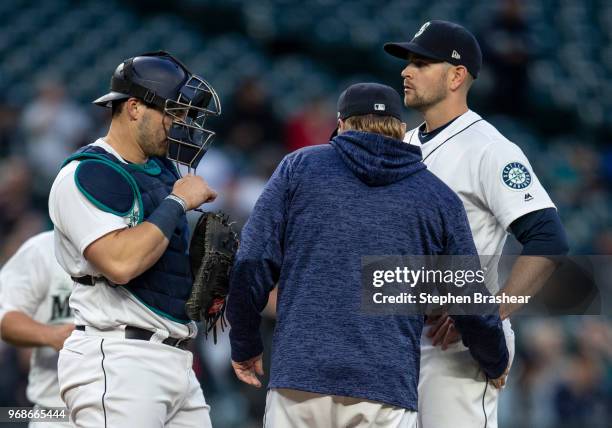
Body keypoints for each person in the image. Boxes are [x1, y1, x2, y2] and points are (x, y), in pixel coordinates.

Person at [226, 82, 510, 428]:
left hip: (299, 380)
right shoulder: (437, 197)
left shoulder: (298, 168)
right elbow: (469, 298)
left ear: (341, 123)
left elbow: (252, 261)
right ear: (401, 130)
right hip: (384, 387)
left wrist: (244, 343)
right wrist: (494, 359)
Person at [384, 20, 569, 428]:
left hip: (457, 344)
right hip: (398, 333)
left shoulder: (491, 149)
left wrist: (492, 311)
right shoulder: (404, 146)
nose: (405, 71)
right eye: (407, 62)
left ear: (456, 75)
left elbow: (549, 240)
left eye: (420, 62)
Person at [48, 51, 221, 427]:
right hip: (119, 357)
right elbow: (121, 264)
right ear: (134, 108)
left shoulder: (160, 171)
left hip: (175, 359)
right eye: (172, 113)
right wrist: (178, 201)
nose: (180, 124)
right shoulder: (89, 173)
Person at [0, 231, 73, 427]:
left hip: (131, 408)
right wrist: (52, 335)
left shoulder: (134, 247)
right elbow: (5, 318)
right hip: (57, 414)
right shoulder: (42, 248)